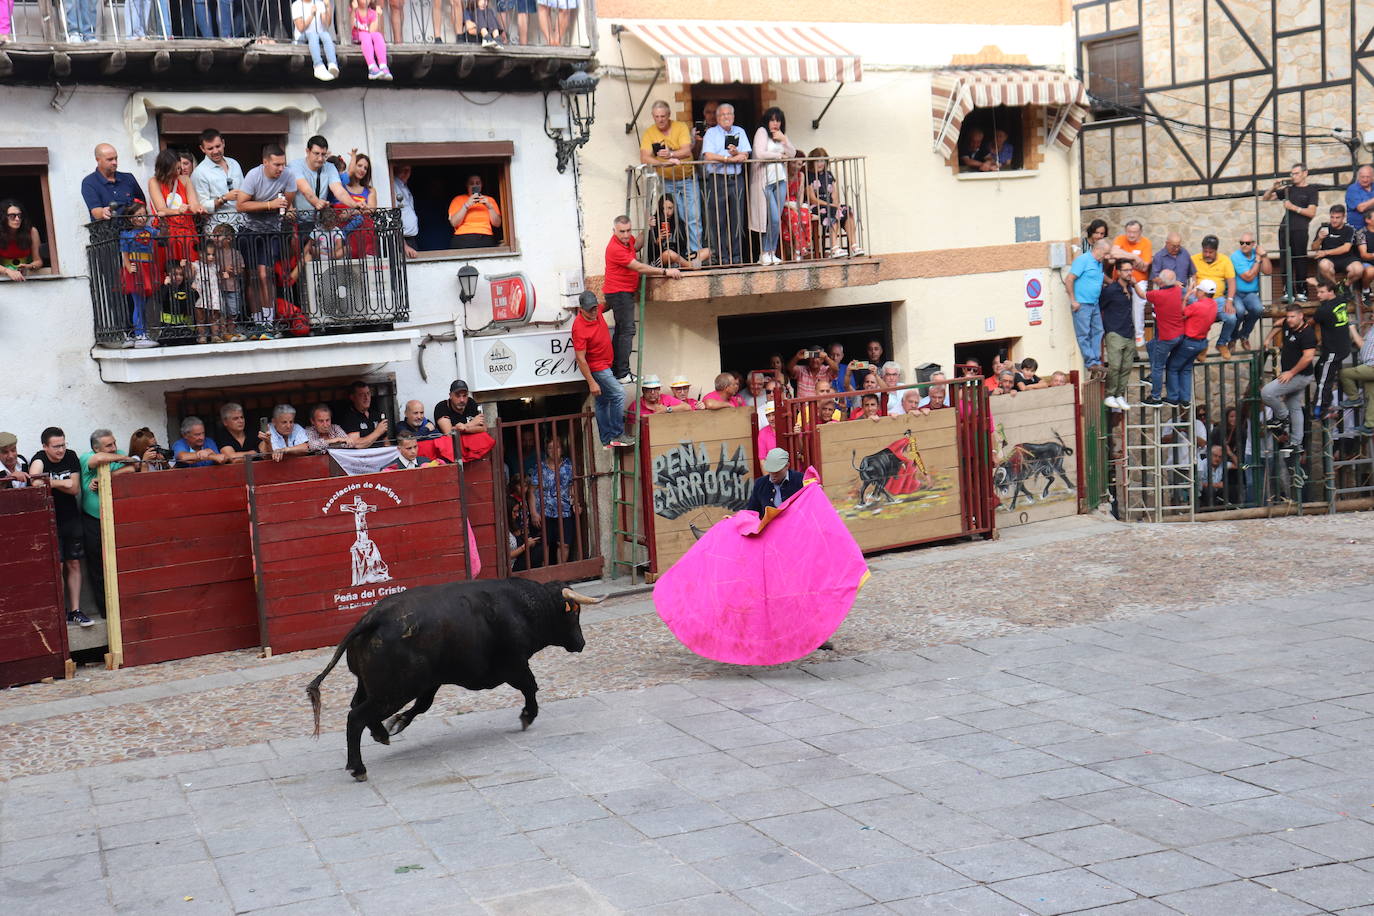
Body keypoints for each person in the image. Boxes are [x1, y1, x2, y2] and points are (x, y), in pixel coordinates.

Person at [604, 215, 681, 383]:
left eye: (628, 231)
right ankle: (623, 373)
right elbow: (638, 266)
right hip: (619, 292)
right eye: (621, 231)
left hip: (621, 292)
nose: (625, 235)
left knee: (622, 331)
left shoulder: (626, 241)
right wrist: (665, 272)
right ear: (614, 231)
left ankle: (618, 371)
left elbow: (636, 244)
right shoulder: (615, 248)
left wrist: (646, 229)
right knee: (627, 331)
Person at [28, 428, 89, 626]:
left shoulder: (70, 456)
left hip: (70, 518)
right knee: (57, 566)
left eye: (63, 445)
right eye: (56, 446)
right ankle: (59, 612)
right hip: (48, 519)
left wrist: (50, 482)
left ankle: (75, 610)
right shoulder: (38, 459)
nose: (61, 450)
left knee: (74, 563)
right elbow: (35, 483)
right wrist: (62, 482)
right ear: (45, 446)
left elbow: (75, 488)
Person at [80, 429, 144, 620]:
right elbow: (99, 459)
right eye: (109, 445)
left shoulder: (117, 455)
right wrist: (122, 459)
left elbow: (133, 467)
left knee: (122, 563)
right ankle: (106, 611)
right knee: (98, 567)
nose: (114, 448)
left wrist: (105, 478)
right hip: (93, 520)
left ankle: (126, 607)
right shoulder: (86, 457)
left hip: (117, 519)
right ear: (95, 447)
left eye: (114, 443)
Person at [237, 144, 295, 334]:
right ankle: (257, 322)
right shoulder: (254, 175)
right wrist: (270, 205)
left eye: (283, 164)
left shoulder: (288, 175)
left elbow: (287, 203)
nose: (281, 169)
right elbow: (241, 205)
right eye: (277, 164)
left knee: (266, 274)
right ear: (265, 163)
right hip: (249, 230)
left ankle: (268, 321)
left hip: (272, 230)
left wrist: (287, 211)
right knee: (252, 276)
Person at [640, 101, 704, 261]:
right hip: (667, 181)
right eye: (656, 117)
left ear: (669, 116)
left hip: (687, 179)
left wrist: (671, 155)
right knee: (674, 218)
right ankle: (678, 255)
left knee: (692, 217)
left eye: (663, 116)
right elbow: (644, 156)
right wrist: (665, 163)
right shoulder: (649, 132)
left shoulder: (680, 126)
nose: (660, 120)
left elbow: (686, 149)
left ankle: (696, 257)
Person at [571, 293, 630, 448]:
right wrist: (591, 382)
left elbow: (607, 304)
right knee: (618, 394)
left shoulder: (598, 310)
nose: (593, 312)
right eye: (589, 309)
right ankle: (618, 435)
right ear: (581, 309)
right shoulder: (579, 327)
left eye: (595, 308)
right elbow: (580, 358)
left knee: (603, 402)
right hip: (598, 368)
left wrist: (620, 295)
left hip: (607, 364)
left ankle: (606, 440)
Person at [701, 103, 751, 266]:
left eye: (729, 114)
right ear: (717, 118)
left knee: (737, 219)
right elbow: (708, 155)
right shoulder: (711, 133)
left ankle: (736, 257)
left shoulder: (740, 131)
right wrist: (728, 159)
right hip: (717, 179)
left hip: (736, 180)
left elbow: (745, 153)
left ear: (733, 116)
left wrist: (737, 154)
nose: (726, 117)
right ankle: (721, 257)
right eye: (723, 115)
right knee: (718, 220)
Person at [1262, 303, 1317, 448]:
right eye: (1288, 316)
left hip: (1299, 376)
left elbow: (1308, 358)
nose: (1290, 319)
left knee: (1267, 392)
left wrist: (1291, 373)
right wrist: (1268, 339)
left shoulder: (1307, 334)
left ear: (1301, 316)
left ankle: (1282, 417)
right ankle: (1296, 443)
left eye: (1293, 316)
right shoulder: (1287, 324)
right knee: (1294, 405)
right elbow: (1278, 324)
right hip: (1291, 374)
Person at [1263, 163, 1319, 302]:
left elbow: (1311, 212)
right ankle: (1288, 291)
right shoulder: (1288, 189)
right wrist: (1273, 188)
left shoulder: (1311, 190)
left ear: (1305, 173)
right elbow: (1265, 198)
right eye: (1292, 174)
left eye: (1296, 173)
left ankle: (1302, 291)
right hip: (1285, 229)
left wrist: (1293, 207)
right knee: (1284, 260)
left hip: (1300, 229)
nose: (1293, 176)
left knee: (1300, 259)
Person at [749, 107, 796, 266]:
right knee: (770, 219)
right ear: (767, 121)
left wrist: (784, 140)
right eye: (772, 120)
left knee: (776, 219)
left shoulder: (781, 136)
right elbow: (760, 153)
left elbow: (793, 153)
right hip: (765, 182)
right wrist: (778, 156)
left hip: (780, 180)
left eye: (778, 120)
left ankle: (771, 252)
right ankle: (764, 253)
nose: (775, 123)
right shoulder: (762, 132)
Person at [148, 147, 203, 276]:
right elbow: (161, 208)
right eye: (175, 169)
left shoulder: (185, 179)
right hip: (168, 233)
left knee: (191, 271)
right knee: (171, 272)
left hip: (187, 232)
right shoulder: (154, 182)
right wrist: (179, 211)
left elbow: (193, 203)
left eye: (179, 168)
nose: (178, 171)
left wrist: (198, 208)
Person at [1167, 279, 1218, 407]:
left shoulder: (1197, 305)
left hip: (1190, 341)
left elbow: (1182, 312)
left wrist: (1186, 297)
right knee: (1186, 369)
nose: (1197, 292)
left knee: (1172, 367)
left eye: (1198, 290)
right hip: (1201, 343)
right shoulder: (1214, 304)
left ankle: (1173, 397)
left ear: (1203, 293)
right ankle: (1185, 399)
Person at [1141, 268, 1186, 406]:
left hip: (1166, 337)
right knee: (1150, 345)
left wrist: (1133, 283)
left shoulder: (1158, 295)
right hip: (1179, 335)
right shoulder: (1179, 290)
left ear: (1161, 281)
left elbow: (1142, 294)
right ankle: (1154, 379)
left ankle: (1155, 397)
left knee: (1158, 367)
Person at [806, 149, 862, 258]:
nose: (820, 164)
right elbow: (812, 199)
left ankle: (854, 245)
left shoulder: (829, 174)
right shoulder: (808, 175)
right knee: (832, 211)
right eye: (817, 161)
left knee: (847, 209)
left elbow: (834, 194)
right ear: (812, 162)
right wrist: (831, 206)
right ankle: (834, 247)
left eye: (822, 160)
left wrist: (836, 204)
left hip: (830, 205)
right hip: (816, 206)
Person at [533, 434, 578, 564]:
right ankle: (546, 571)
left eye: (557, 447)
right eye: (550, 448)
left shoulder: (568, 465)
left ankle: (562, 571)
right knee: (545, 545)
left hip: (564, 511)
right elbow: (532, 490)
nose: (554, 451)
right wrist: (534, 513)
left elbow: (572, 486)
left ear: (562, 449)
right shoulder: (540, 467)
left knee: (564, 544)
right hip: (545, 512)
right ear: (546, 451)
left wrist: (576, 502)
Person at [1310, 279, 1351, 420]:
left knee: (1323, 379)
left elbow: (1311, 323)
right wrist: (1317, 284)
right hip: (1343, 346)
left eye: (1321, 292)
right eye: (1317, 291)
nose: (1318, 295)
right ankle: (1325, 398)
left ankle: (1319, 409)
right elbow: (1331, 289)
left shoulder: (1323, 310)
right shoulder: (1341, 299)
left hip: (1333, 350)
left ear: (1330, 292)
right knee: (1318, 370)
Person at [1191, 235, 1238, 359]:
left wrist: (1229, 301)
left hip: (1218, 299)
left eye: (1210, 252)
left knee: (1231, 318)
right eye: (1205, 251)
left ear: (1216, 250)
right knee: (1200, 317)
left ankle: (1222, 343)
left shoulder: (1225, 260)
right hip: (1200, 299)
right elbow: (1193, 280)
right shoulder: (1194, 259)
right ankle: (1202, 346)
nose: (1207, 254)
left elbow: (1232, 282)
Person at [1066, 238, 1109, 371]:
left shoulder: (1098, 263)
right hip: (1082, 303)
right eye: (1106, 253)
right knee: (1083, 333)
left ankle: (1096, 360)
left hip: (1094, 303)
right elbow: (1069, 279)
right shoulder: (1083, 260)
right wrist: (1073, 300)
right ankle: (1091, 363)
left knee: (1099, 330)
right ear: (1098, 249)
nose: (1107, 256)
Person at [1099, 258, 1135, 411]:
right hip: (1114, 330)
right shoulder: (1111, 290)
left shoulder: (1130, 288)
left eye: (1130, 270)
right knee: (1115, 365)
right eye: (1125, 270)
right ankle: (1110, 394)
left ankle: (1119, 394)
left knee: (1126, 366)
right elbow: (1100, 306)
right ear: (1118, 272)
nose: (1129, 273)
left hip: (1128, 331)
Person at [192, 129, 245, 230]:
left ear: (223, 143)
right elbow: (201, 206)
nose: (215, 151)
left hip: (242, 224)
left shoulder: (234, 163)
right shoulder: (199, 172)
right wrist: (224, 199)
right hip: (217, 230)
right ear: (202, 149)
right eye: (210, 148)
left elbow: (245, 191)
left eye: (218, 146)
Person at [1111, 220, 1153, 346]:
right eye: (1129, 232)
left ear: (1140, 232)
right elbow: (1113, 253)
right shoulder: (1120, 239)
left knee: (1138, 302)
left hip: (1138, 280)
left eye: (1134, 232)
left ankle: (1139, 335)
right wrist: (1134, 258)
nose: (1131, 235)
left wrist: (1123, 257)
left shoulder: (1146, 243)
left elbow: (1144, 267)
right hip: (1119, 279)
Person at [82, 144, 147, 222]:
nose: (115, 162)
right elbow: (95, 211)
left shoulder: (128, 178)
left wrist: (139, 213)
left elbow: (142, 203)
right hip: (108, 230)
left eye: (116, 158)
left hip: (133, 230)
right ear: (98, 160)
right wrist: (103, 212)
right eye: (110, 159)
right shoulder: (89, 182)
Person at [290, 136, 350, 220]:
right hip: (299, 221)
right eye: (316, 153)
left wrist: (354, 204)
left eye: (323, 154)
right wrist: (317, 202)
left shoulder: (330, 167)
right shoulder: (295, 165)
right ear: (307, 151)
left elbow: (339, 191)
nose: (320, 158)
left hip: (321, 221)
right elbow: (305, 190)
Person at [1230, 233, 1271, 351]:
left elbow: (1268, 271)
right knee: (1239, 312)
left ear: (1253, 244)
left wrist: (1264, 255)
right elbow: (1248, 277)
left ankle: (1243, 335)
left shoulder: (1257, 254)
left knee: (1258, 309)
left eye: (1247, 243)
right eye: (1241, 243)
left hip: (1251, 294)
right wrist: (1258, 261)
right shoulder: (1236, 256)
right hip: (1236, 293)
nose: (1244, 245)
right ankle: (1232, 338)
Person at [1309, 204, 1362, 293]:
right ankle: (1336, 287)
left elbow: (1346, 248)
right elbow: (1314, 248)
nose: (1334, 220)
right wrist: (1320, 238)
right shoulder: (1323, 228)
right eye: (1332, 217)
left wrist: (1325, 252)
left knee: (1359, 269)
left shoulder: (1350, 229)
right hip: (1330, 260)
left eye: (1337, 218)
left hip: (1347, 258)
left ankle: (1345, 285)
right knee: (1323, 264)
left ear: (1343, 217)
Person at [638, 195, 700, 270]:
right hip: (659, 261)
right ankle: (690, 266)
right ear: (660, 209)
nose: (667, 212)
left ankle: (684, 264)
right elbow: (651, 253)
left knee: (707, 252)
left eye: (670, 208)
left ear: (674, 208)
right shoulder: (654, 222)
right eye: (663, 208)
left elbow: (683, 247)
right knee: (669, 253)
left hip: (676, 258)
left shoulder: (679, 223)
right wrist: (658, 241)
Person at [448, 174, 502, 248]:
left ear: (481, 185)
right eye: (471, 183)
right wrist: (466, 206)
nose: (475, 186)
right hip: (463, 239)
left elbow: (497, 224)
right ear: (467, 185)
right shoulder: (458, 199)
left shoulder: (489, 200)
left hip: (485, 238)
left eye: (477, 183)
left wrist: (490, 207)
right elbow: (454, 223)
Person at [1339, 320, 1374, 436]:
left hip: (1371, 366)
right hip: (1368, 365)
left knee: (1344, 373)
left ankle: (1354, 398)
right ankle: (1370, 425)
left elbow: (1360, 344)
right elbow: (1363, 345)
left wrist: (1352, 328)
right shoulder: (1371, 330)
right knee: (1371, 396)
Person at [745, 448, 803, 515]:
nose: (773, 475)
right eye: (771, 471)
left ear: (787, 466)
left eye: (777, 471)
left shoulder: (800, 480)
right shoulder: (760, 484)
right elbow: (752, 513)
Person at [292, 0, 340, 81]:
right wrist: (311, 15)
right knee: (313, 35)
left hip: (319, 35)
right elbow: (300, 28)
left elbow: (326, 24)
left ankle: (332, 64)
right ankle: (318, 66)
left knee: (326, 35)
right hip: (302, 37)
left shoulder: (319, 3)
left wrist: (328, 7)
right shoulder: (296, 5)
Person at [0, 198, 44, 281]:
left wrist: (30, 266)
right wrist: (7, 271)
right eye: (12, 216)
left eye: (19, 216)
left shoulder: (32, 231)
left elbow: (38, 261)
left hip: (26, 276)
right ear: (2, 217)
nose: (17, 219)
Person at [338, 380, 389, 447]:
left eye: (368, 393)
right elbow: (357, 444)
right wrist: (377, 432)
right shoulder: (349, 417)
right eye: (361, 395)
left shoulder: (376, 415)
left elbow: (386, 441)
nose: (366, 398)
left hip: (380, 455)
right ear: (353, 397)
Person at [352, 0, 393, 79]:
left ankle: (383, 66)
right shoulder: (353, 10)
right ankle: (372, 67)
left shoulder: (372, 12)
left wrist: (377, 16)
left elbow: (372, 31)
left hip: (367, 37)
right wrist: (353, 10)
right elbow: (349, 27)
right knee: (366, 36)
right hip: (356, 36)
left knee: (378, 35)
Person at [392, 164, 420, 258]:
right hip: (401, 241)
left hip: (410, 239)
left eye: (408, 170)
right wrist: (403, 245)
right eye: (404, 170)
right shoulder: (393, 186)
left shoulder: (403, 186)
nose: (406, 173)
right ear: (395, 169)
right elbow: (392, 218)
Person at [1346, 165, 1374, 237]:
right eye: (1362, 177)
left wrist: (1367, 204)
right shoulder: (1352, 189)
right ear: (1358, 177)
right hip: (1358, 230)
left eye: (1367, 177)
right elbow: (1361, 208)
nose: (1365, 179)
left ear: (1372, 177)